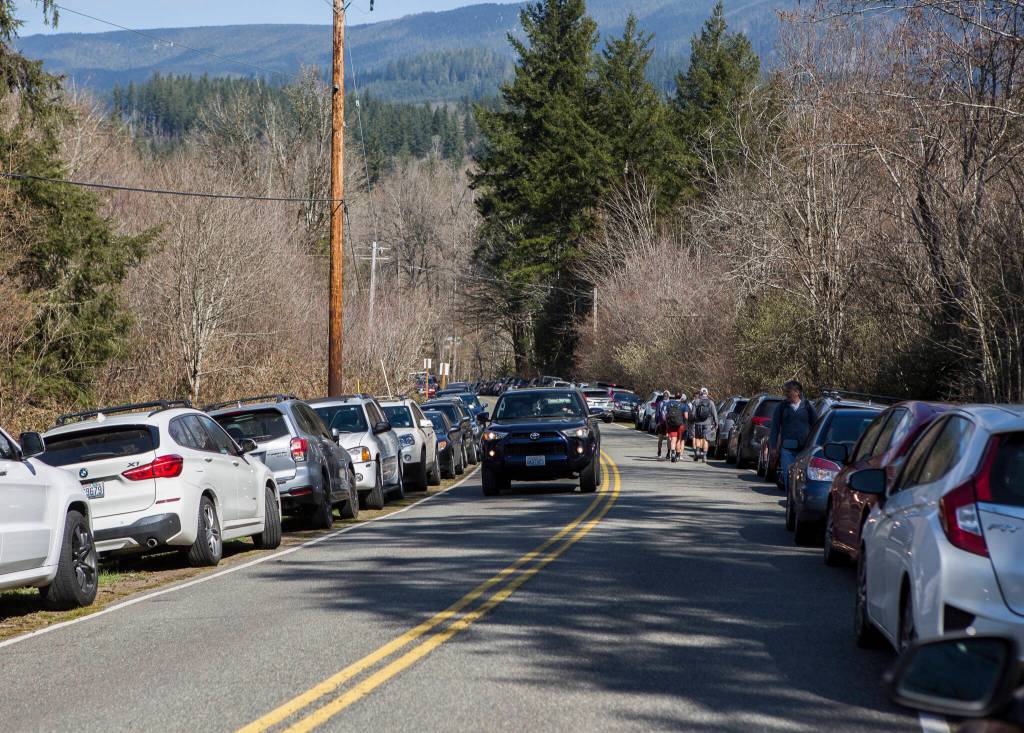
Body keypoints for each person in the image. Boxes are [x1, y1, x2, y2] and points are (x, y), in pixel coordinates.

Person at [769, 380, 818, 494]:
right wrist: (773, 447)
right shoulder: (781, 407)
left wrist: (815, 446)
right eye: (785, 391)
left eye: (788, 391)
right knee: (789, 477)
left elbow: (816, 426)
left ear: (797, 392)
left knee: (802, 479)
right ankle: (790, 500)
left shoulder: (808, 407)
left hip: (804, 450)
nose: (786, 394)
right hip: (787, 450)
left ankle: (799, 501)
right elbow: (775, 429)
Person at [691, 387, 718, 462]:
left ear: (700, 393)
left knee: (698, 438)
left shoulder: (696, 401)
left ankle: (697, 452)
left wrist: (692, 421)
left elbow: (692, 414)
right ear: (707, 393)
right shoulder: (711, 402)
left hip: (698, 423)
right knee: (706, 439)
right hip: (707, 423)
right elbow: (714, 414)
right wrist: (716, 423)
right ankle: (704, 456)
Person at [663, 392, 687, 462]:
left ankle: (672, 453)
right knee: (678, 440)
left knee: (673, 439)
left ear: (674, 396)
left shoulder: (669, 404)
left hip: (672, 424)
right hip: (680, 425)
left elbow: (666, 415)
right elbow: (686, 416)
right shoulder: (684, 405)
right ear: (681, 397)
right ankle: (677, 454)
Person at [654, 391, 670, 458]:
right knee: (663, 438)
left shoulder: (668, 403)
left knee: (666, 438)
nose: (665, 396)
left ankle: (666, 452)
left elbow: (657, 414)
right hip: (663, 423)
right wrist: (657, 422)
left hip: (665, 423)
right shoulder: (661, 403)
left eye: (666, 395)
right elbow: (657, 413)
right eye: (665, 395)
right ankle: (661, 451)